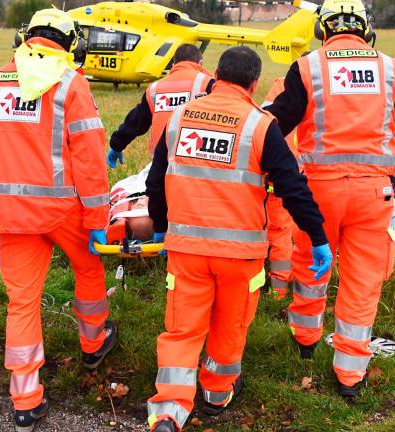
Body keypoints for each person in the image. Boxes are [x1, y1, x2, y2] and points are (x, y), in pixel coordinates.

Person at [144, 46, 332, 432]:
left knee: (182, 329)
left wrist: (163, 227)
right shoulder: (260, 124)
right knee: (230, 325)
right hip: (240, 254)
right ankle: (217, 391)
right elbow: (293, 187)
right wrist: (317, 236)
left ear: (216, 73)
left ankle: (169, 411)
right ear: (254, 82)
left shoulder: (179, 118)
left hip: (187, 250)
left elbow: (154, 181)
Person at [0, 9, 117, 430]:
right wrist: (97, 215)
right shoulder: (71, 84)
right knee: (89, 269)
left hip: (9, 213)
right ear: (71, 43)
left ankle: (25, 399)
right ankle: (93, 343)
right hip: (64, 211)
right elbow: (91, 159)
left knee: (22, 303)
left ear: (26, 38)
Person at [264, 0, 395, 397]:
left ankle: (305, 340)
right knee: (362, 280)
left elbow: (275, 125)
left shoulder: (308, 67)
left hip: (318, 191)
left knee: (310, 263)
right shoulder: (392, 68)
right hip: (375, 193)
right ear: (366, 29)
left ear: (323, 30)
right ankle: (350, 376)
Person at [108, 44, 214, 167]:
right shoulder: (209, 84)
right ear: (200, 63)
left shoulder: (155, 88)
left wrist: (117, 145)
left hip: (161, 162)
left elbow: (136, 121)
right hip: (197, 160)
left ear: (174, 64)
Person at [262, 77, 301, 299]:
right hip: (323, 176)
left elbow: (266, 123)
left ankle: (277, 291)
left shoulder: (283, 84)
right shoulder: (330, 82)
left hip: (281, 173)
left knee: (278, 230)